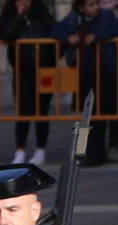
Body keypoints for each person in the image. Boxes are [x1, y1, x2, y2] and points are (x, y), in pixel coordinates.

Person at [52, 0, 118, 165]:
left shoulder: (107, 16)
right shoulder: (74, 18)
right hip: (85, 72)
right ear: (81, 7)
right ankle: (91, 152)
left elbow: (114, 29)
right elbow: (55, 30)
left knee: (107, 111)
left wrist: (95, 36)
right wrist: (68, 37)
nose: (95, 7)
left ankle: (109, 148)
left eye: (96, 4)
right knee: (89, 114)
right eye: (90, 4)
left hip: (106, 71)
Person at [0, 0, 56, 167]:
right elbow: (5, 34)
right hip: (22, 70)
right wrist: (19, 16)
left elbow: (55, 35)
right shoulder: (11, 15)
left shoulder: (42, 16)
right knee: (23, 111)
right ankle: (20, 150)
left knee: (42, 110)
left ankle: (40, 149)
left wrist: (50, 57)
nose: (24, 2)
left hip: (43, 70)